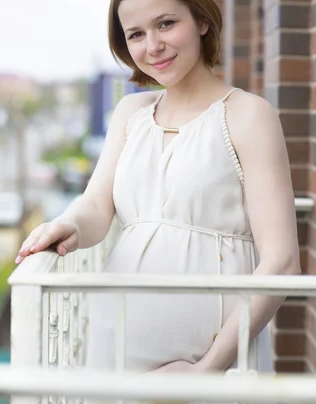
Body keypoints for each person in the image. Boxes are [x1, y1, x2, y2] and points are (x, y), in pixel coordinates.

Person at [15, 0, 301, 374]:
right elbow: (96, 207)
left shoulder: (248, 114)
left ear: (201, 21)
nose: (152, 46)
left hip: (211, 366)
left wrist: (207, 371)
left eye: (166, 24)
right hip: (114, 348)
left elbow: (281, 262)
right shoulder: (129, 114)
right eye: (136, 34)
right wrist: (68, 224)